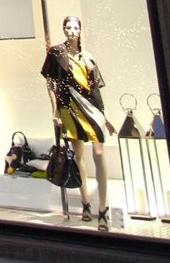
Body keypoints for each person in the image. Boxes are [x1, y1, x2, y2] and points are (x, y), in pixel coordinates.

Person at [41, 15, 114, 231]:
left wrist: (106, 117)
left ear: (80, 30)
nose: (71, 31)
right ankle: (86, 203)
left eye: (74, 28)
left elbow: (96, 89)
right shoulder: (57, 53)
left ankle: (104, 208)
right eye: (68, 27)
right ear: (64, 29)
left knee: (99, 154)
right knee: (78, 156)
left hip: (93, 109)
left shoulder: (88, 57)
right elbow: (51, 83)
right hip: (70, 108)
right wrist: (54, 110)